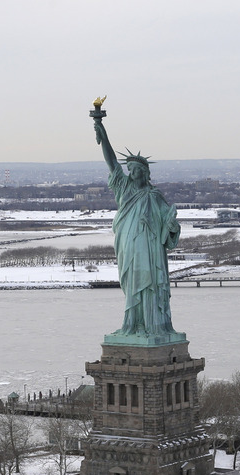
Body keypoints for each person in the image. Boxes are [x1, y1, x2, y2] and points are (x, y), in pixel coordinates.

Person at [92, 114, 181, 340]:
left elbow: (169, 228)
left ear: (146, 173)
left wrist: (171, 224)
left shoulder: (155, 196)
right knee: (133, 284)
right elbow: (112, 164)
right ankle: (132, 324)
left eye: (137, 170)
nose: (133, 173)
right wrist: (104, 135)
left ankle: (153, 325)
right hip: (128, 246)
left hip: (150, 251)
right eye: (131, 170)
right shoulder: (124, 189)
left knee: (150, 285)